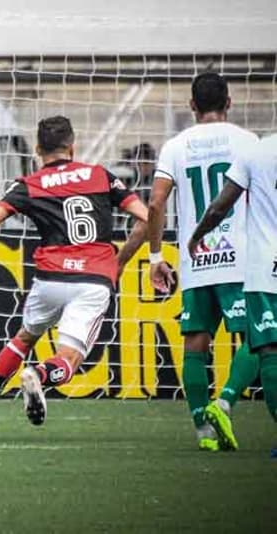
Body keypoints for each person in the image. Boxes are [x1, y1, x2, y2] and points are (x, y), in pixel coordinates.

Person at [0, 116, 148, 434]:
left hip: (49, 281)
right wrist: (119, 262)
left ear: (38, 149)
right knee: (69, 358)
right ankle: (39, 375)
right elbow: (146, 218)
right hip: (92, 280)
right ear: (73, 145)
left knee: (24, 337)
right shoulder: (101, 176)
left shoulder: (29, 184)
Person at [146, 72, 260, 451]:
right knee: (260, 339)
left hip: (196, 259)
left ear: (191, 106)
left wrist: (156, 256)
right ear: (229, 103)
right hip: (242, 256)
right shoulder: (248, 142)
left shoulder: (176, 146)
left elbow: (156, 202)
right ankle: (224, 401)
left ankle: (202, 432)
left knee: (195, 343)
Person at [188, 133, 277, 457]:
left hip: (264, 265)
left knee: (268, 347)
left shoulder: (257, 151)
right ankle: (224, 401)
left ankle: (215, 415)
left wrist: (198, 235)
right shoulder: (247, 142)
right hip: (248, 265)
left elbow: (220, 206)